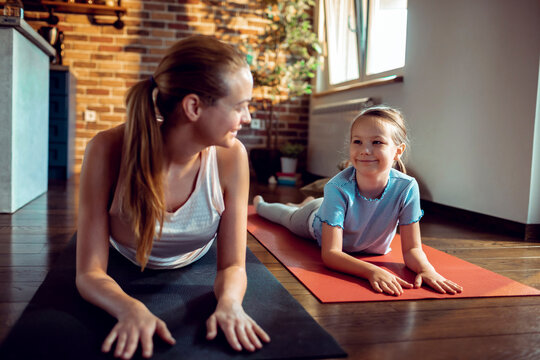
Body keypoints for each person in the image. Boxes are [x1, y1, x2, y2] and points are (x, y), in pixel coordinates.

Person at [76, 35, 270, 360]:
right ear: (194, 107)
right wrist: (128, 308)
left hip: (196, 257)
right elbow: (89, 273)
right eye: (239, 106)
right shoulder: (106, 150)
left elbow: (234, 263)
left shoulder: (232, 157)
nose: (247, 118)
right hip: (125, 260)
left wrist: (230, 304)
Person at [254, 106, 463, 297]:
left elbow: (411, 249)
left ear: (397, 151)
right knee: (284, 217)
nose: (365, 150)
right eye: (357, 141)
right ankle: (265, 203)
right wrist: (372, 270)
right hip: (313, 220)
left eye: (377, 142)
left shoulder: (407, 188)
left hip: (335, 210)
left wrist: (427, 270)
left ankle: (309, 202)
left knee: (318, 203)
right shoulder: (337, 187)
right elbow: (331, 254)